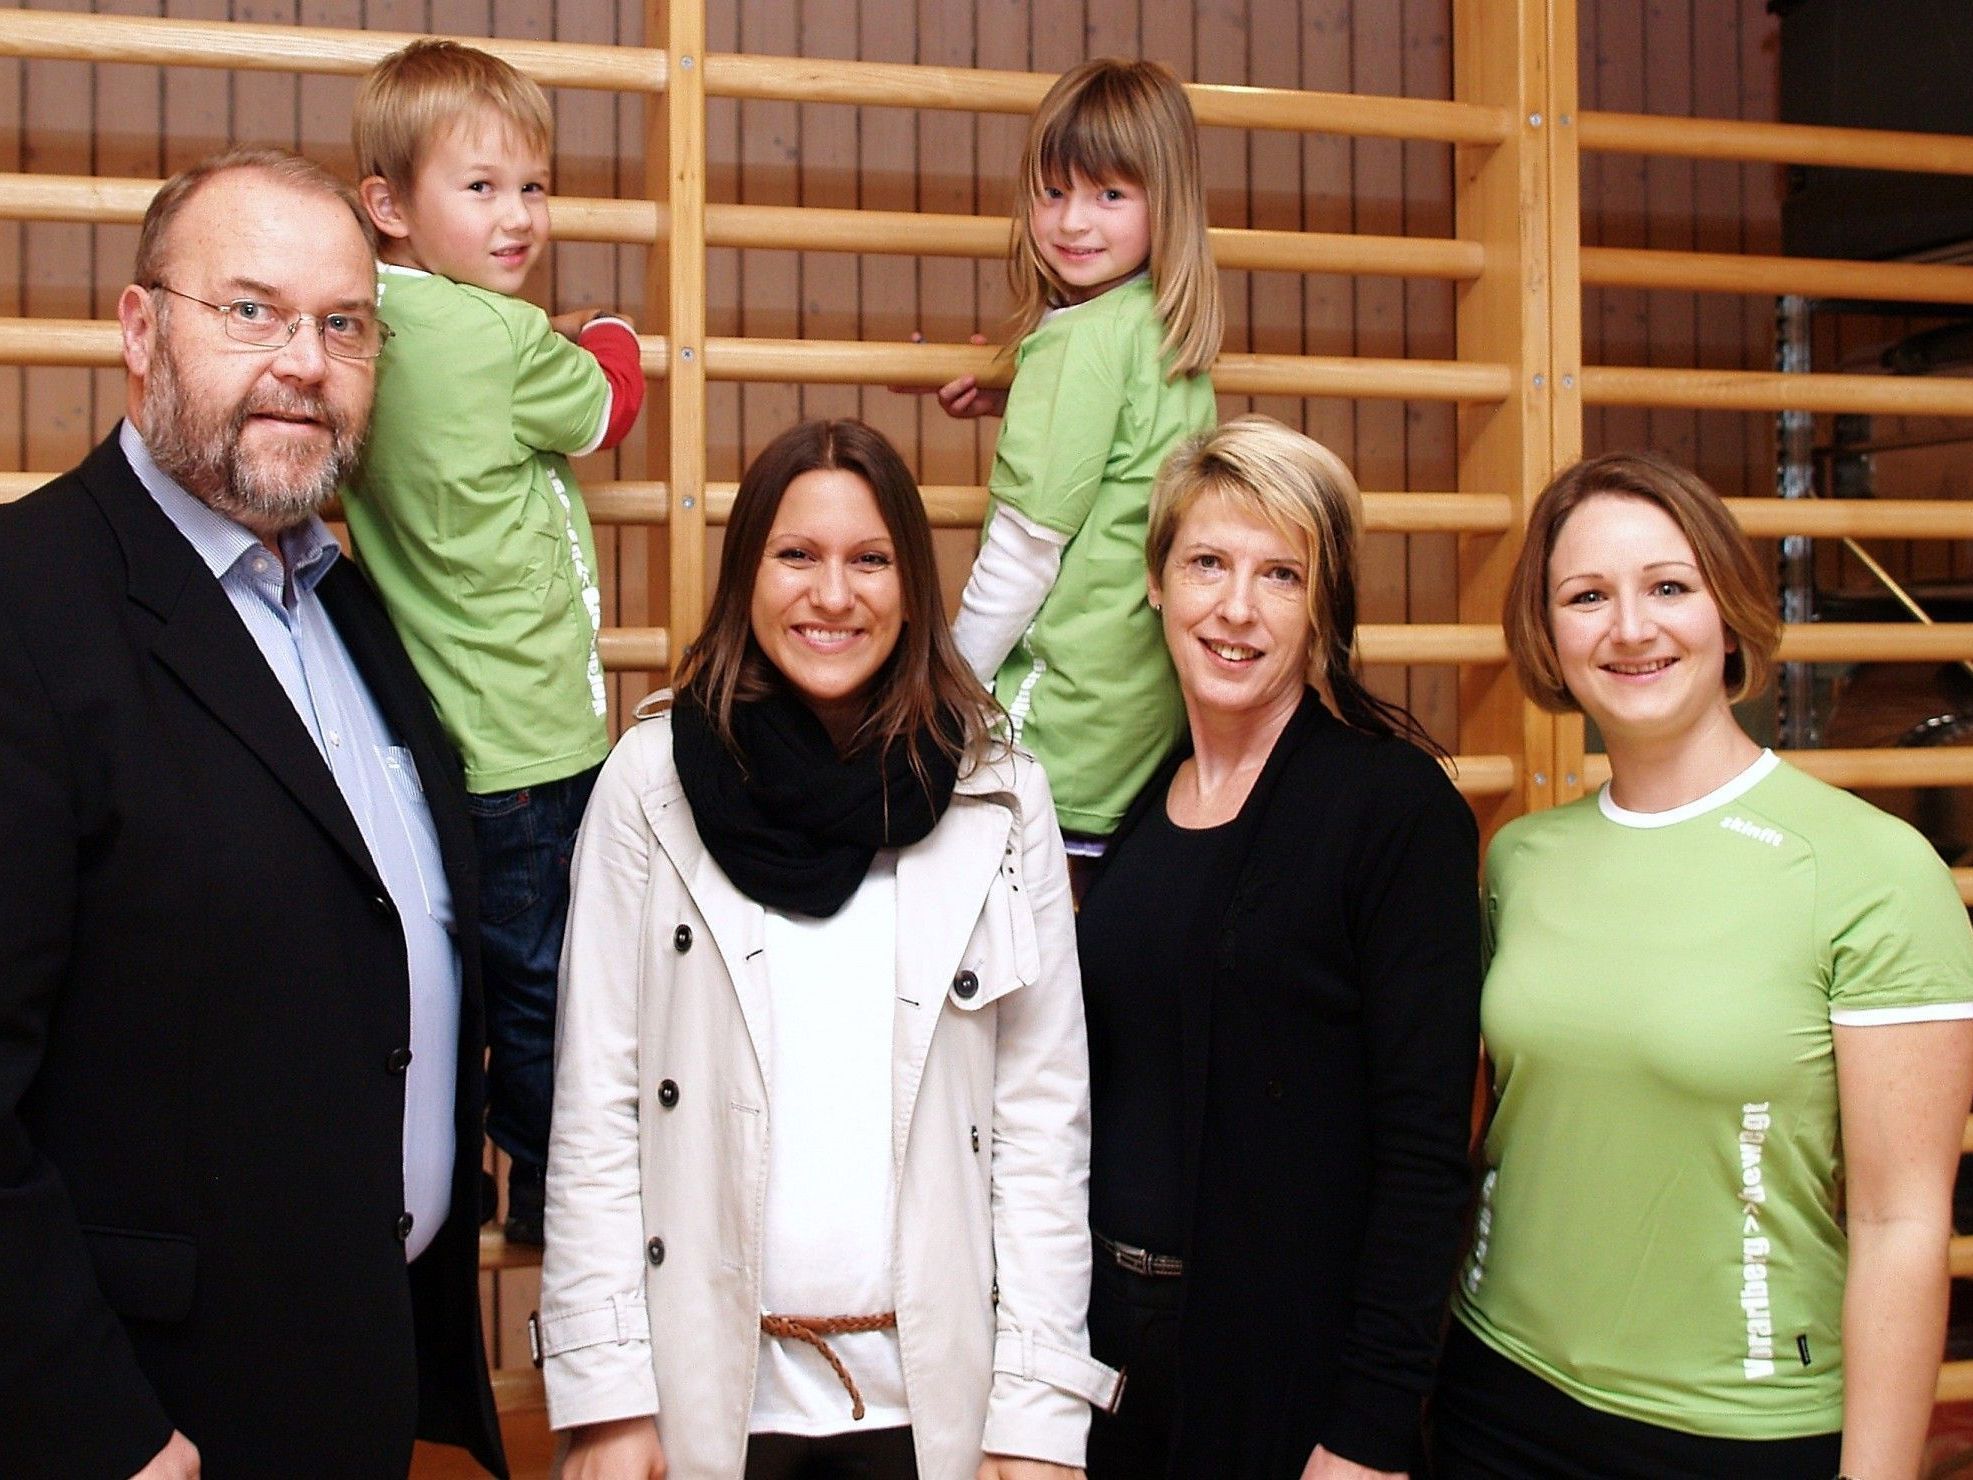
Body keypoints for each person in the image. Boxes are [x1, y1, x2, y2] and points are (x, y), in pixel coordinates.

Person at [0, 148, 505, 1479]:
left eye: (343, 324)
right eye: (251, 311)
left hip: (350, 1376)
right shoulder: (28, 606)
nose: (304, 360)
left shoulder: (347, 597)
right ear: (137, 330)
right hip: (148, 1417)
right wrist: (104, 1433)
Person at [535, 418, 1118, 1480]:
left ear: (912, 584)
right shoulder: (648, 781)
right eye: (796, 555)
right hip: (703, 1398)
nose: (832, 594)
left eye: (869, 560)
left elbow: (1042, 1120)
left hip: (937, 1406)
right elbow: (598, 1104)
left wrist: (1035, 1417)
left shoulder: (998, 794)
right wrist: (607, 1399)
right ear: (745, 571)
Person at [1433, 452, 1973, 1479]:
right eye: (1585, 595)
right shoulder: (1519, 859)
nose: (1628, 627)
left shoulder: (1868, 870)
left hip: (1738, 1431)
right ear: (1548, 634)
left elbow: (1900, 1221)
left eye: (1666, 587)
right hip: (1494, 1397)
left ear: (1725, 609)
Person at [1075, 415, 1483, 1479]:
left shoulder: (1393, 809)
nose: (1235, 607)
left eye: (1280, 574)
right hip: (1110, 1360)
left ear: (1323, 606)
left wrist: (1365, 1430)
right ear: (1157, 582)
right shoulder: (1145, 806)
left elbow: (1425, 1151)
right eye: (1206, 561)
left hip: (1286, 1379)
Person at [343, 39, 646, 1244]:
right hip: (533, 741)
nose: (517, 216)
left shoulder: (371, 327)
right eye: (480, 188)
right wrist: (608, 330)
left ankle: (447, 1174)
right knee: (546, 978)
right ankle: (543, 1186)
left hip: (428, 735)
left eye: (531, 185)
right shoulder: (512, 341)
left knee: (451, 968)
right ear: (390, 207)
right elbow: (609, 406)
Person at [921, 57, 1220, 863]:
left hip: (1058, 724)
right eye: (1052, 193)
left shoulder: (1079, 344)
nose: (1072, 223)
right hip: (1143, 717)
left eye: (1108, 195)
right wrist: (1019, 397)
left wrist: (942, 691)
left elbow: (1021, 552)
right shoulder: (1162, 330)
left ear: (1167, 200)